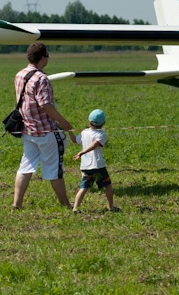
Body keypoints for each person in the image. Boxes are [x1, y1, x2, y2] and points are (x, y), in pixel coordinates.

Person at [12, 42, 73, 209]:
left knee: (25, 167)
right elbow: (45, 105)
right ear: (42, 58)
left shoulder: (19, 74)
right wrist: (63, 121)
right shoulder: (42, 78)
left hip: (27, 130)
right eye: (47, 56)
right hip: (46, 131)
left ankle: (16, 204)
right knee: (55, 169)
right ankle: (65, 204)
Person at [69, 109, 118, 213]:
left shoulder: (84, 132)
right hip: (97, 166)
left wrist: (69, 131)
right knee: (108, 186)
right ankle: (111, 207)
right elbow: (95, 144)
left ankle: (75, 208)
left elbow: (75, 140)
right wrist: (82, 152)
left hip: (86, 167)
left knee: (84, 187)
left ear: (88, 121)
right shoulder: (102, 134)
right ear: (103, 123)